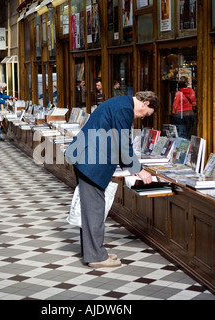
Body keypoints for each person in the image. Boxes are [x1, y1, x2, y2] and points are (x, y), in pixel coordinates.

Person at [64, 91, 159, 268]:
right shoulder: (125, 109)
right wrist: (139, 170)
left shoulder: (120, 102)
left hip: (87, 158)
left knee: (91, 209)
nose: (141, 118)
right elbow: (123, 142)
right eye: (145, 114)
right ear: (145, 103)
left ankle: (94, 251)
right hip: (91, 162)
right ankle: (96, 258)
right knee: (94, 210)